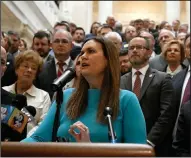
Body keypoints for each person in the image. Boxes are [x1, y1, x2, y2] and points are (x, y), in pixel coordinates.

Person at [21, 36, 147, 143]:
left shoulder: (127, 100)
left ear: (108, 60)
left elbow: (137, 153)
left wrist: (89, 149)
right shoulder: (65, 97)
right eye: (81, 53)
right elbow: (38, 138)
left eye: (91, 51)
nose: (82, 57)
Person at [120, 37, 176, 156]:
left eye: (139, 47)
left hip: (155, 146)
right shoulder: (121, 80)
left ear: (150, 52)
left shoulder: (163, 78)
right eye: (131, 48)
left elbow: (166, 115)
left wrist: (149, 142)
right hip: (125, 145)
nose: (134, 50)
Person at [2, 50, 51, 134]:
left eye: (34, 68)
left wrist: (27, 140)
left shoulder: (44, 96)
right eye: (25, 66)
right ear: (16, 69)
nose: (29, 70)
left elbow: (43, 126)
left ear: (36, 74)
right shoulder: (3, 91)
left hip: (31, 144)